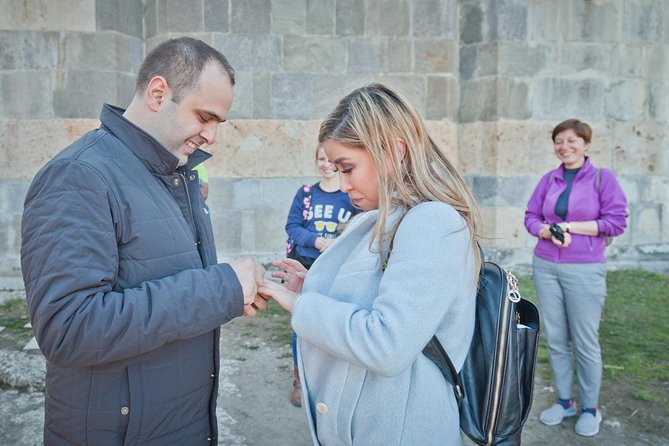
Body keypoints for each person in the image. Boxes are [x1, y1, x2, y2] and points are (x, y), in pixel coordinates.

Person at [20, 37, 268, 445]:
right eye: (205, 117)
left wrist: (231, 295)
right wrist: (219, 288)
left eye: (219, 123)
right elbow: (69, 328)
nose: (212, 136)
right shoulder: (77, 177)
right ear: (157, 93)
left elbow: (165, 285)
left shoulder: (177, 174)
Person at [260, 83, 481, 445]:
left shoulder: (435, 223)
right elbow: (373, 296)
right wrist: (312, 285)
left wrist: (302, 305)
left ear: (392, 152)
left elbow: (388, 343)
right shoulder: (384, 214)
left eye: (348, 168)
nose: (342, 183)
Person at [524, 119, 628, 437]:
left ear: (586, 144)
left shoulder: (601, 178)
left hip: (584, 269)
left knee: (584, 341)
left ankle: (590, 409)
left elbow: (616, 222)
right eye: (558, 141)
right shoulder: (549, 179)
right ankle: (566, 401)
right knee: (556, 339)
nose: (564, 146)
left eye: (571, 140)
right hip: (546, 266)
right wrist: (544, 230)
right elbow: (530, 216)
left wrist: (569, 227)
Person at [284, 144, 359, 407]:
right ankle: (300, 381)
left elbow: (359, 231)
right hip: (306, 263)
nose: (326, 164)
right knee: (301, 324)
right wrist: (316, 241)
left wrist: (336, 244)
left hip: (336, 270)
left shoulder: (350, 196)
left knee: (331, 323)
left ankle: (329, 381)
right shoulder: (306, 194)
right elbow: (292, 227)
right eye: (321, 159)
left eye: (330, 159)